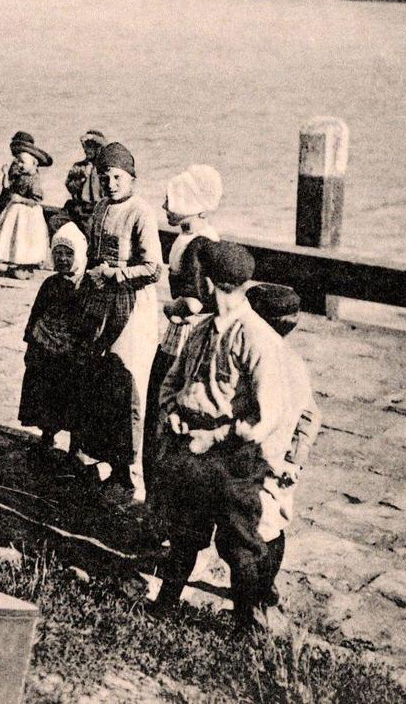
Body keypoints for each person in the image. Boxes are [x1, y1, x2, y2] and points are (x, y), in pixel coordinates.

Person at [150, 242, 298, 631]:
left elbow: (267, 415)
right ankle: (165, 604)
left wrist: (215, 437)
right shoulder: (202, 329)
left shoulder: (256, 337)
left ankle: (245, 626)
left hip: (232, 458)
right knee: (184, 533)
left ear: (209, 281)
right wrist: (172, 415)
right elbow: (173, 381)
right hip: (190, 447)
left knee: (238, 546)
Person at [72, 141, 163, 501]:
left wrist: (114, 274)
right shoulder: (99, 209)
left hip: (133, 307)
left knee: (131, 387)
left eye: (117, 177)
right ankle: (114, 467)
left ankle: (136, 477)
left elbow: (154, 269)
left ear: (132, 179)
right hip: (101, 306)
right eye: (104, 177)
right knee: (103, 385)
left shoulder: (141, 212)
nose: (110, 184)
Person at [143, 165, 223, 494]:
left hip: (186, 334)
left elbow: (192, 302)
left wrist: (167, 308)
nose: (164, 207)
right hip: (188, 332)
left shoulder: (197, 246)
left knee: (163, 403)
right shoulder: (189, 238)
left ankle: (160, 496)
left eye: (170, 201)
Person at [246, 282, 323, 615]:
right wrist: (297, 458)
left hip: (262, 459)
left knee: (253, 533)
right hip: (283, 461)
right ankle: (266, 588)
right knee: (274, 525)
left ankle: (254, 602)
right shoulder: (294, 361)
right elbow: (311, 415)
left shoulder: (264, 358)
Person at [18, 223, 89, 463]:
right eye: (58, 252)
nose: (62, 258)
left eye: (69, 253)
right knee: (45, 395)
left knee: (74, 398)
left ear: (79, 254)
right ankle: (47, 436)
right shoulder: (50, 284)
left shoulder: (87, 287)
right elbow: (36, 314)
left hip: (71, 354)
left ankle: (75, 448)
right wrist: (30, 341)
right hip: (46, 351)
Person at [0, 134, 51, 266]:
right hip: (15, 210)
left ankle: (25, 263)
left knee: (25, 237)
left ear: (34, 164)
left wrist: (20, 199)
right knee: (12, 234)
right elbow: (8, 188)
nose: (19, 165)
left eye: (23, 162)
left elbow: (36, 200)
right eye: (19, 161)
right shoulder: (19, 176)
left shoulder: (34, 179)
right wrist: (6, 174)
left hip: (27, 213)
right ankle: (14, 260)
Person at [66, 130, 106, 229]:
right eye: (85, 147)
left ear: (98, 148)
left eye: (90, 147)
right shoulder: (79, 167)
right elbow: (69, 186)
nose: (86, 150)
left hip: (98, 210)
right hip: (79, 208)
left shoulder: (104, 169)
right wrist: (81, 179)